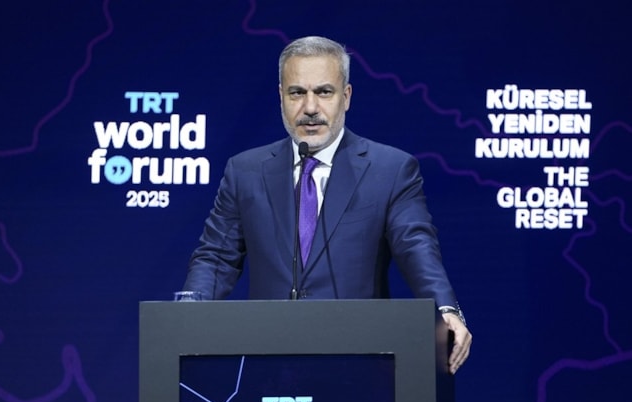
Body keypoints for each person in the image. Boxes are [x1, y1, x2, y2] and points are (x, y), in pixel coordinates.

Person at [183, 36, 471, 373]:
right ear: (280, 97)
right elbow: (216, 257)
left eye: (324, 92)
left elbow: (416, 246)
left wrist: (445, 309)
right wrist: (187, 316)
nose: (310, 108)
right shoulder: (245, 171)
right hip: (268, 362)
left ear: (345, 97)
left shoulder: (390, 170)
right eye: (297, 93)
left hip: (359, 361)